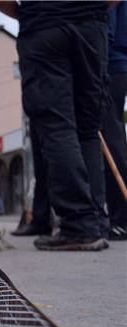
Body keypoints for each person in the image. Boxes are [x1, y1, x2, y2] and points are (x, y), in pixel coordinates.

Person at [0, 1, 111, 251]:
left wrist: (29, 13)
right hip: (91, 28)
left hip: (43, 26)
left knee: (57, 126)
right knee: (88, 129)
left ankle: (79, 225)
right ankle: (96, 221)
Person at [102, 1, 127, 241]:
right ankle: (119, 217)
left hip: (110, 64)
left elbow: (106, 26)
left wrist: (98, 64)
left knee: (112, 138)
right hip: (118, 64)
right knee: (116, 135)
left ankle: (121, 219)